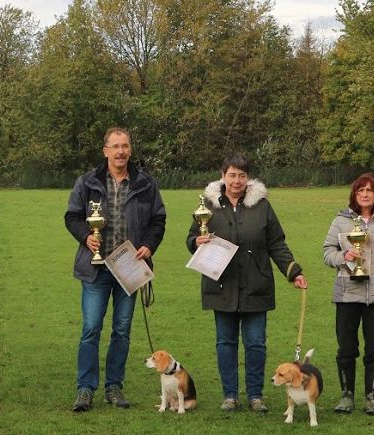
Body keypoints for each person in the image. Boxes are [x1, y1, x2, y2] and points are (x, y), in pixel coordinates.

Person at [186, 153, 307, 413]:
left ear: (248, 178)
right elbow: (192, 237)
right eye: (232, 175)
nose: (237, 180)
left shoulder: (261, 206)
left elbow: (276, 242)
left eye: (242, 175)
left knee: (255, 343)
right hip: (221, 285)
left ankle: (255, 395)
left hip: (256, 285)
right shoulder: (207, 205)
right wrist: (195, 242)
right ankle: (230, 395)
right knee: (225, 343)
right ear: (222, 176)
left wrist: (293, 271)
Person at [64, 127, 167, 412]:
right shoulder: (87, 182)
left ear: (130, 150)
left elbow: (158, 220)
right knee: (91, 328)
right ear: (105, 151)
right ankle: (85, 388)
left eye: (125, 146)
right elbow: (71, 216)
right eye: (115, 146)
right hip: (95, 267)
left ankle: (113, 387)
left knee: (122, 330)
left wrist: (148, 244)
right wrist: (86, 235)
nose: (120, 151)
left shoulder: (145, 183)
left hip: (129, 266)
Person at [321, 173, 374, 415]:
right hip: (347, 295)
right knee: (346, 348)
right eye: (360, 190)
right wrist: (342, 257)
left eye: (370, 190)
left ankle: (371, 397)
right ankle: (346, 396)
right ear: (354, 195)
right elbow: (327, 252)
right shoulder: (340, 221)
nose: (365, 194)